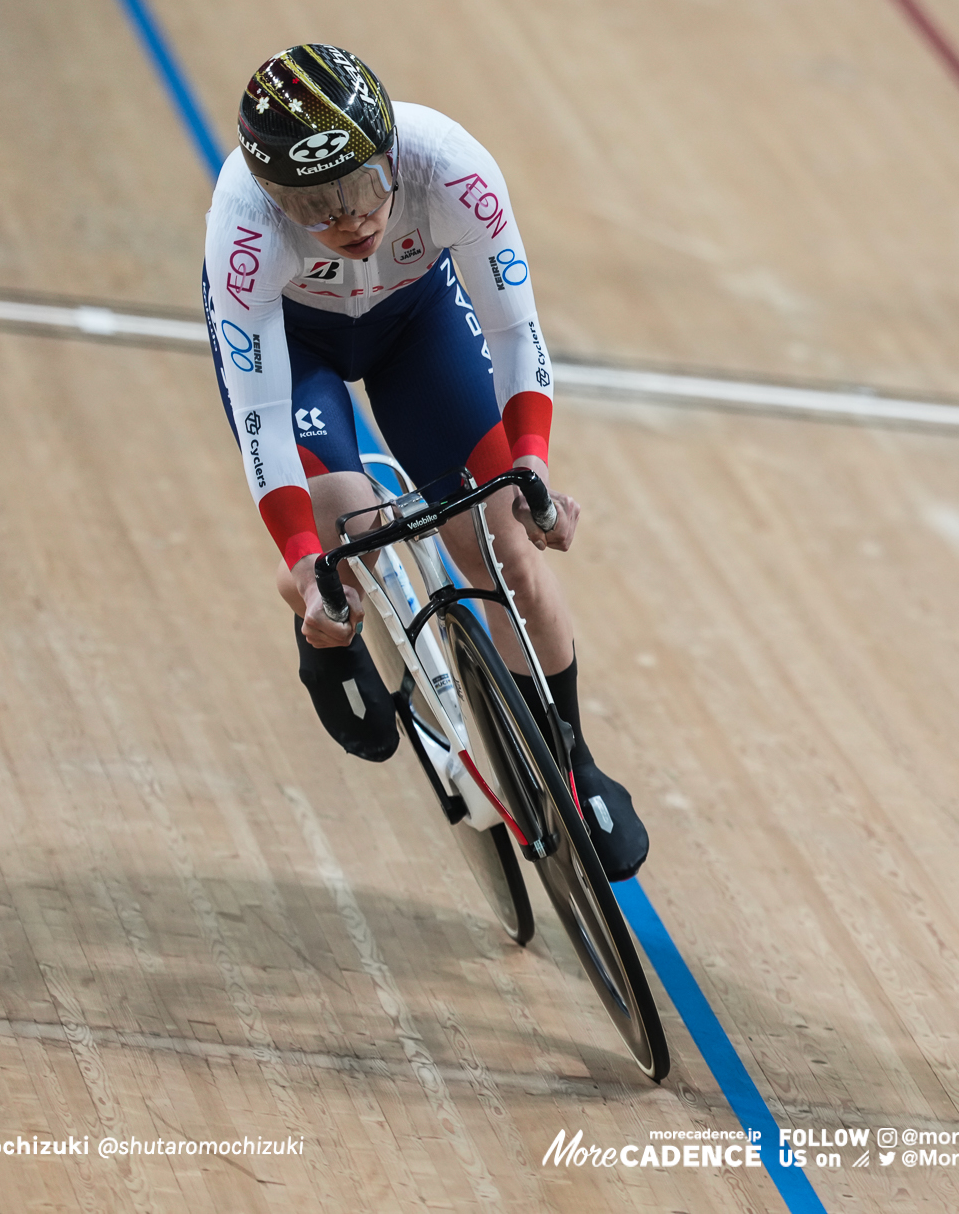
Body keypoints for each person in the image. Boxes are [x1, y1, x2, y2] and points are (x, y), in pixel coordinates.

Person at [200, 43, 646, 879]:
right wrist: (306, 562)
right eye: (320, 208)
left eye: (366, 186)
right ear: (274, 200)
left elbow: (515, 329)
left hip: (416, 320)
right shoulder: (246, 236)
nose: (356, 219)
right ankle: (320, 621)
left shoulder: (450, 165)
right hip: (299, 351)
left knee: (507, 542)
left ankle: (573, 759)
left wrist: (536, 467)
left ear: (392, 151)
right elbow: (263, 418)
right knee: (348, 529)